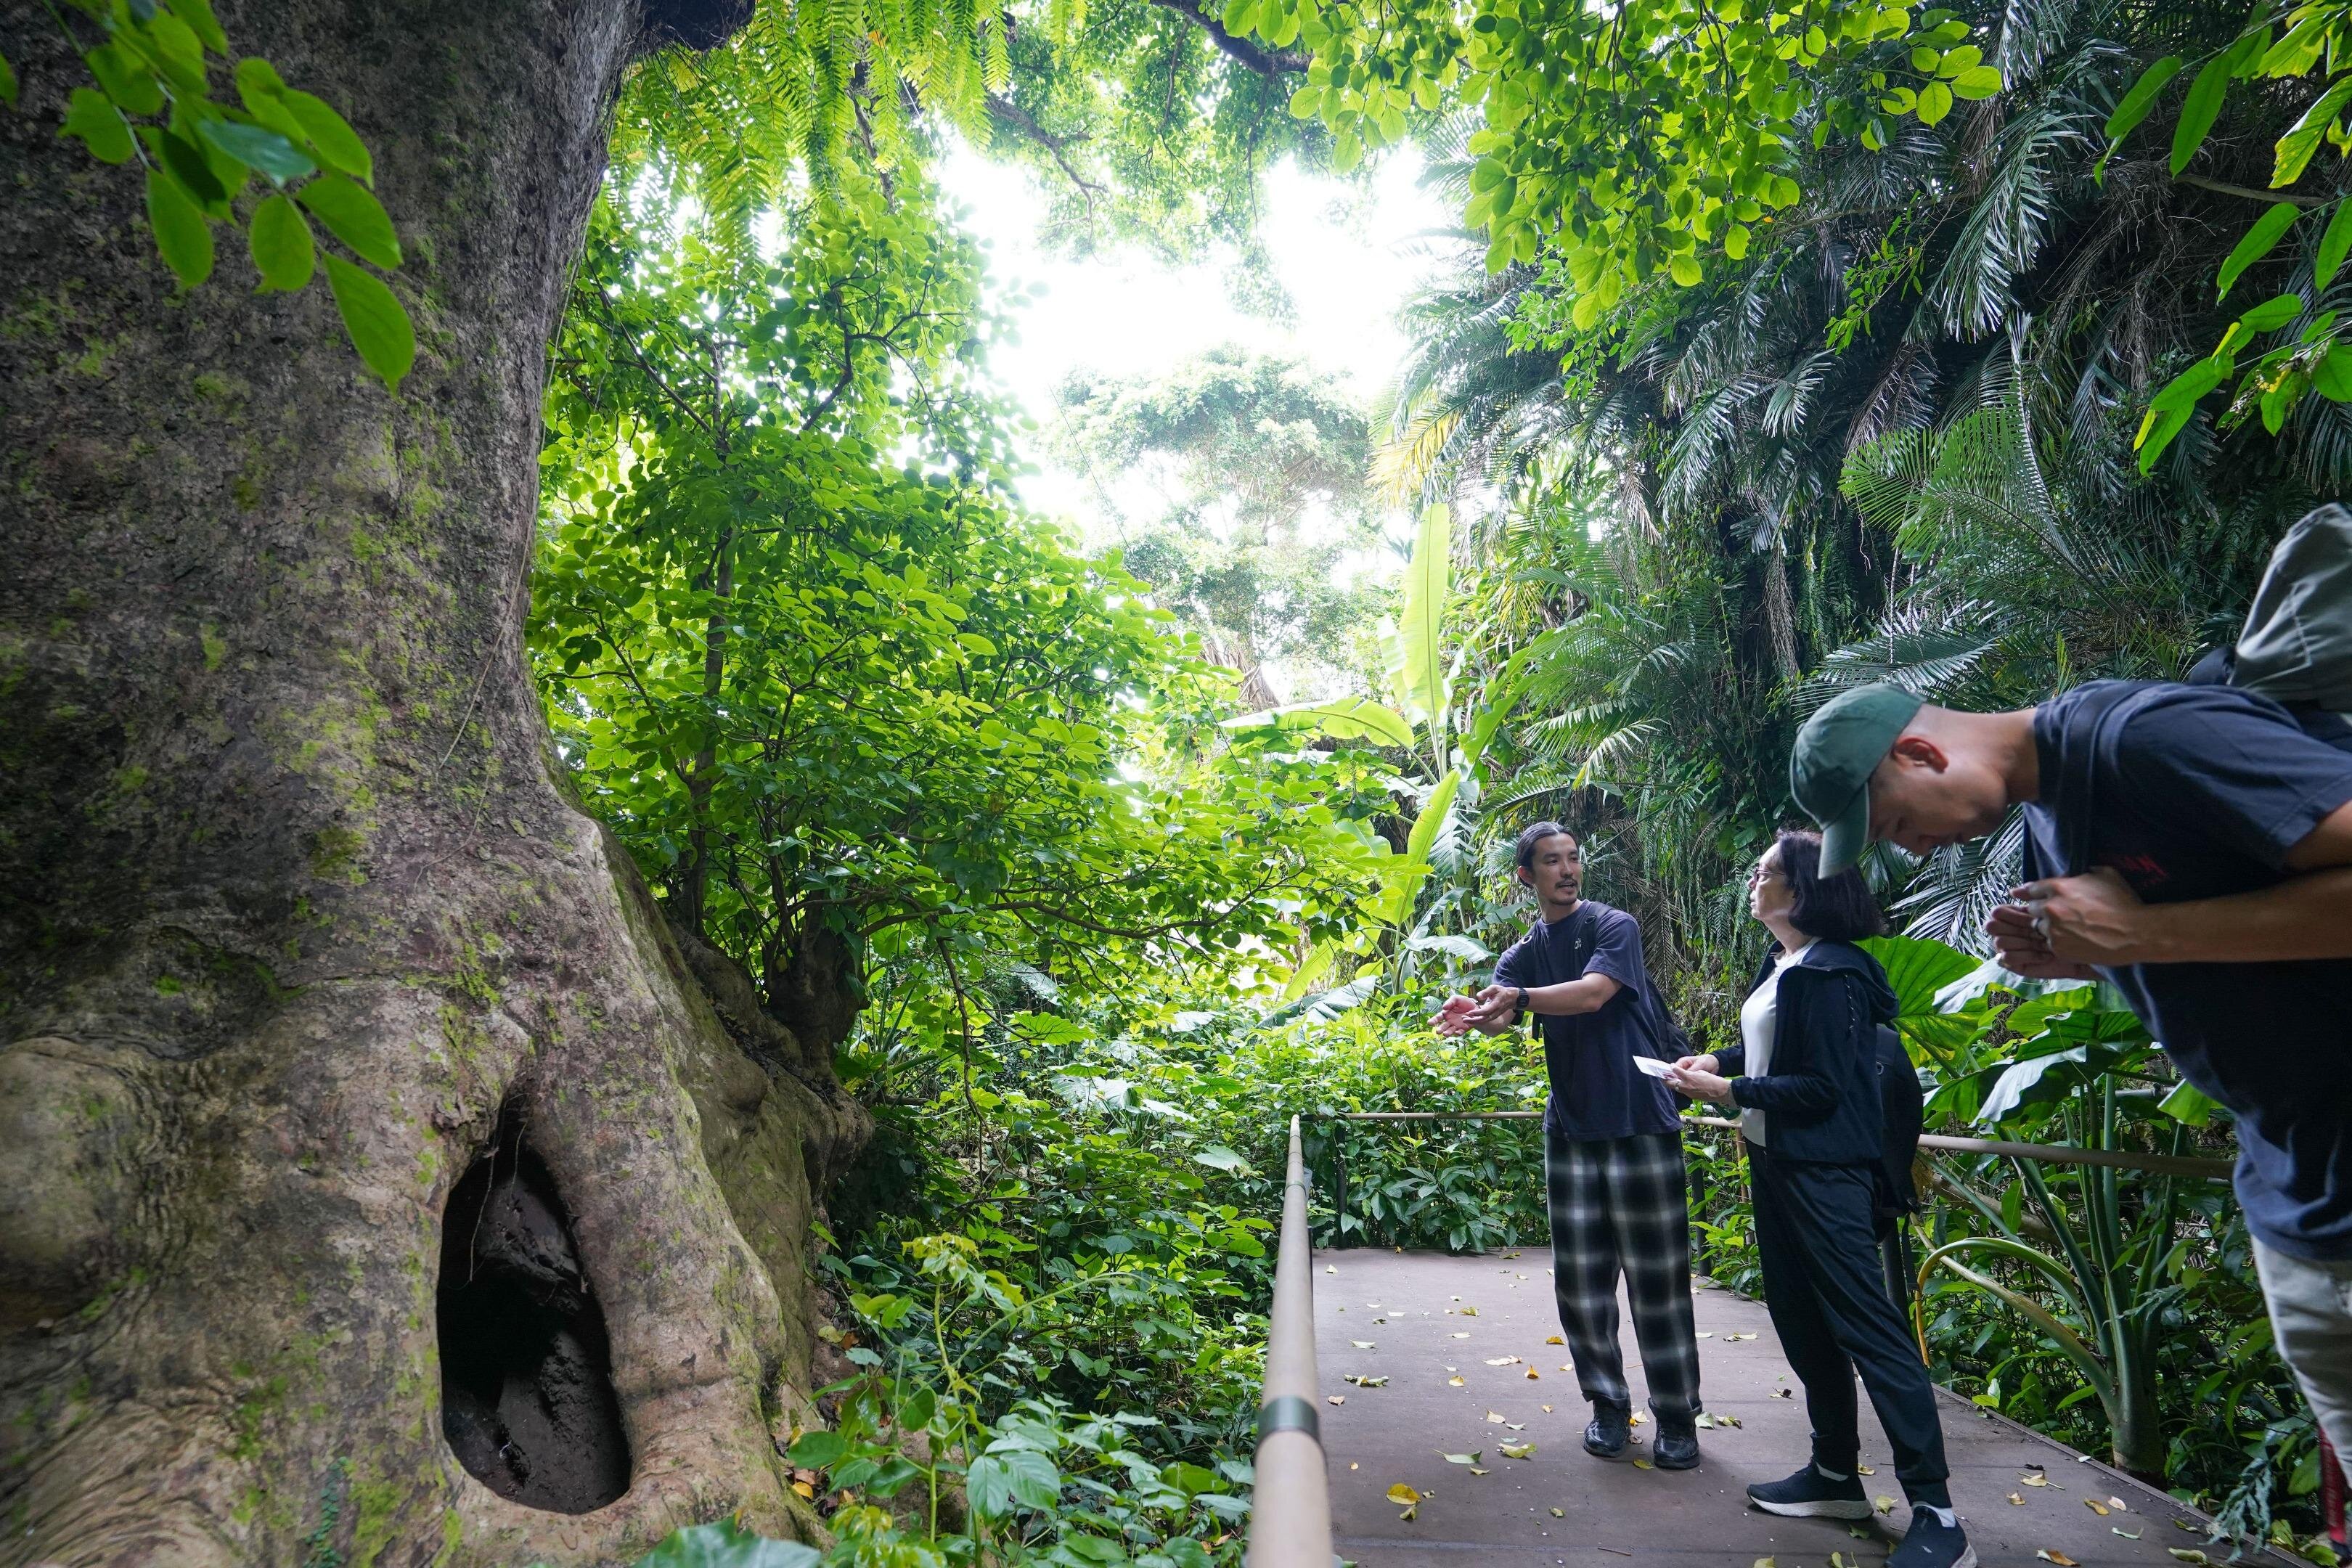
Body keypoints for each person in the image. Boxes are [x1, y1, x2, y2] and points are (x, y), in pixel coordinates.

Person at [1789, 679, 2352, 1485]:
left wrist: (2144, 933)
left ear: (1919, 753)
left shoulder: (2141, 739)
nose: (1914, 850)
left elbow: (2165, 929)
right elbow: (2209, 951)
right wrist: (2090, 960)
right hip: (2297, 1190)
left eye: (1897, 825)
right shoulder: (2046, 819)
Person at [1667, 831, 1971, 1568]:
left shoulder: (1833, 973)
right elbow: (1781, 1052)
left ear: (1801, 890)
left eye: (1764, 873)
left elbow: (1822, 1087)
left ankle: (1937, 1512)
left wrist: (1727, 1090)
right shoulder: (1788, 965)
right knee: (1802, 1322)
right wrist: (1719, 1060)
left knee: (1871, 1330)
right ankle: (1835, 1475)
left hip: (1826, 1171)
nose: (1753, 882)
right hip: (1776, 1164)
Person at [1432, 821, 1704, 1469]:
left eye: (1573, 858)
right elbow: (1502, 1016)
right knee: (1581, 1285)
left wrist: (1519, 997)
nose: (1567, 870)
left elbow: (1593, 995)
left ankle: (1676, 1418)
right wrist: (1475, 1014)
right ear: (1526, 876)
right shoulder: (1522, 953)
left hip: (1640, 1120)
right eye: (1552, 861)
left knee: (1658, 1283)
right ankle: (1607, 1406)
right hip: (1572, 1130)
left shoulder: (1614, 927)